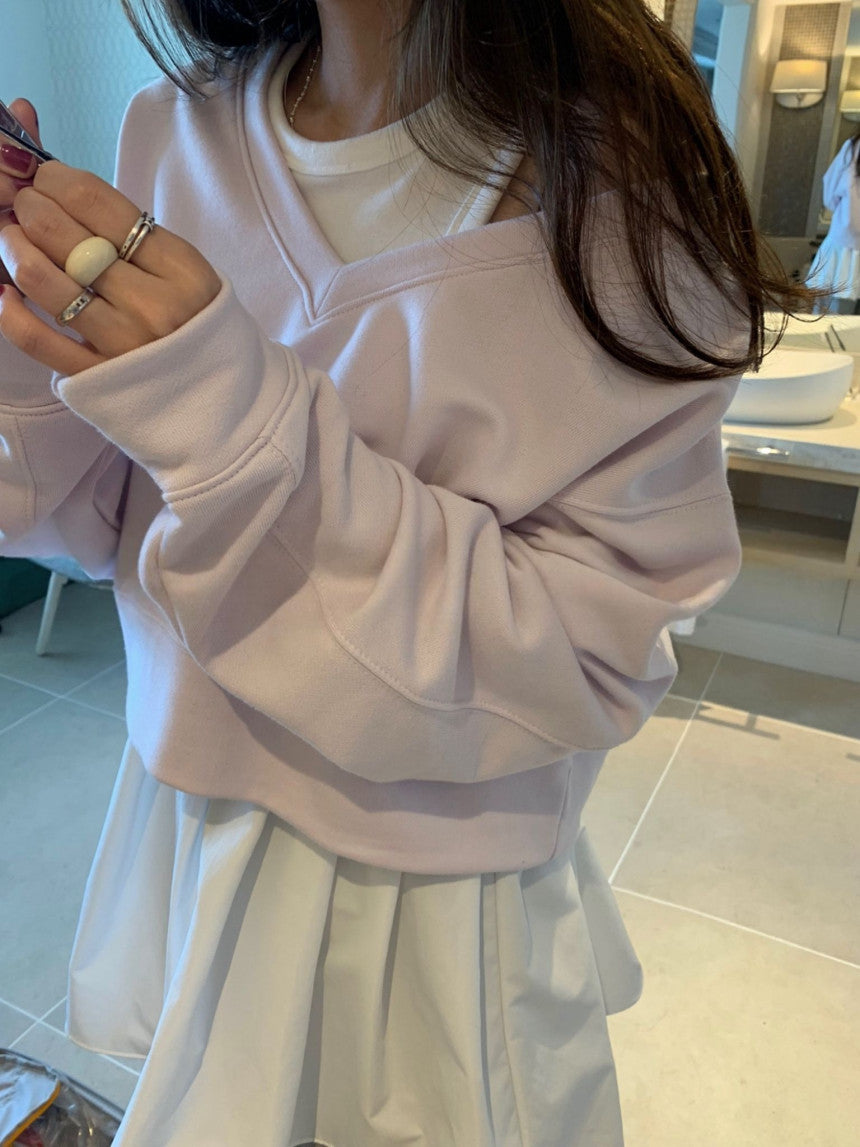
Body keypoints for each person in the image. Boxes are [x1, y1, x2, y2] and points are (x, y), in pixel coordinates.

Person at [0, 1, 816, 1144]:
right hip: (195, 830)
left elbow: (582, 662)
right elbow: (96, 519)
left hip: (432, 920)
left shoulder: (619, 197)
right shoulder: (172, 130)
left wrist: (232, 419)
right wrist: (28, 322)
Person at [807, 129, 860, 313]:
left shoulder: (853, 148)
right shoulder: (853, 148)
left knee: (825, 316)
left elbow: (830, 194)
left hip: (843, 243)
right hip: (845, 246)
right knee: (841, 319)